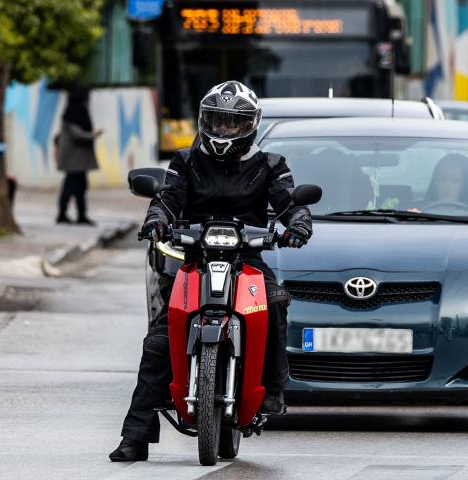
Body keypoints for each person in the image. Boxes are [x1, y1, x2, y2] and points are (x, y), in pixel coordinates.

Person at [109, 80, 313, 462]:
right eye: (217, 122)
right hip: (194, 259)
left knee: (274, 301)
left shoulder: (271, 165)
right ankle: (135, 436)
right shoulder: (185, 161)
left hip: (248, 259)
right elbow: (166, 200)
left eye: (232, 123)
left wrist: (298, 224)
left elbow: (289, 203)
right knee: (159, 340)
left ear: (250, 125)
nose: (223, 131)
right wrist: (156, 221)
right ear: (204, 121)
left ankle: (272, 389)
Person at [56, 86, 102, 225]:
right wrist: (93, 135)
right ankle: (62, 214)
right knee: (70, 187)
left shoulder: (79, 113)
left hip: (80, 159)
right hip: (73, 159)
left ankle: (81, 215)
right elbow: (77, 134)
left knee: (80, 188)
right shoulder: (72, 114)